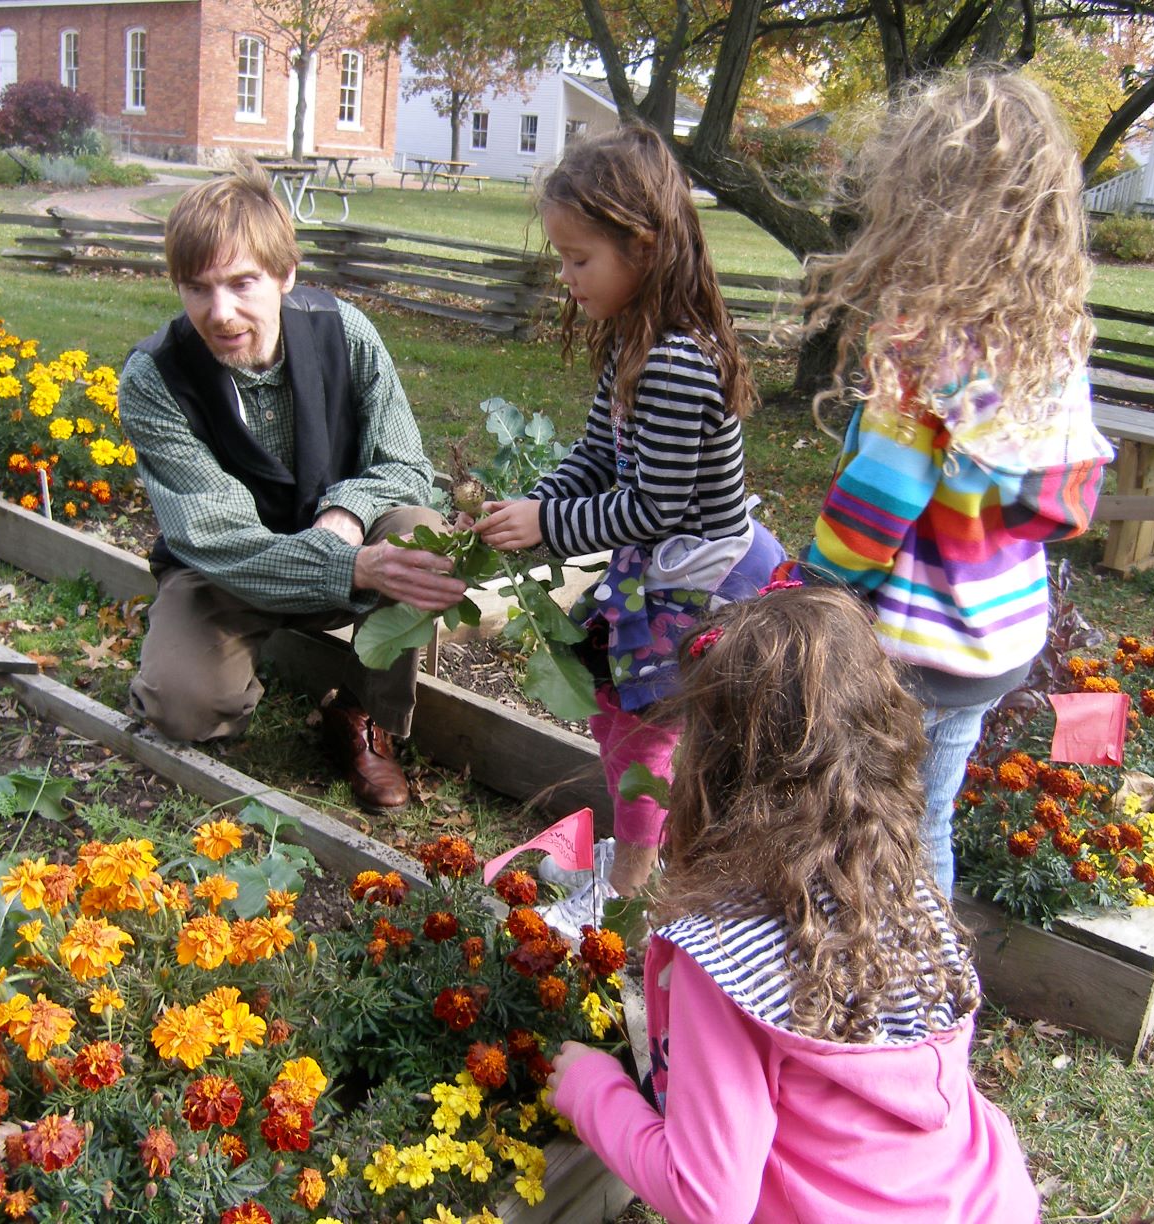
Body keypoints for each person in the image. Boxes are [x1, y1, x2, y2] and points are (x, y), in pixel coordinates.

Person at [548, 585, 1040, 1223]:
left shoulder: (723, 955)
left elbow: (709, 1200)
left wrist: (594, 1091)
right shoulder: (901, 887)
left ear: (711, 768)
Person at [793, 71, 1112, 892]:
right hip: (995, 638)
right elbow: (1056, 501)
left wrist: (809, 586)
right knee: (926, 811)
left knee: (876, 821)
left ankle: (901, 991)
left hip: (913, 643)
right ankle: (921, 987)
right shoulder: (1051, 342)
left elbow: (880, 502)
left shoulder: (927, 343)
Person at [472, 124, 786, 936]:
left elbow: (653, 507)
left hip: (703, 578)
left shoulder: (678, 363)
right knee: (617, 716)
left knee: (648, 730)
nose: (567, 276)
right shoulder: (633, 345)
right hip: (661, 567)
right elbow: (593, 459)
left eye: (580, 258)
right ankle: (637, 854)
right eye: (561, 257)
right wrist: (533, 506)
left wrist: (546, 523)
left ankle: (633, 884)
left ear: (641, 249)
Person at [120, 168, 466, 809]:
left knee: (420, 531)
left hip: (352, 555)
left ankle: (362, 716)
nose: (219, 314)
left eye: (241, 283)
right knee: (182, 708)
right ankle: (212, 669)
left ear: (286, 274)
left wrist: (349, 509)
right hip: (227, 572)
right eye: (197, 288)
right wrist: (350, 563)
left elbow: (407, 468)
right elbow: (217, 539)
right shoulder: (155, 379)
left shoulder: (346, 336)